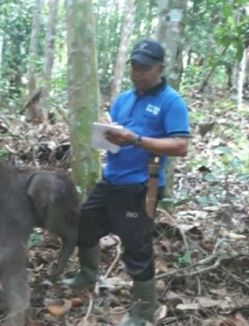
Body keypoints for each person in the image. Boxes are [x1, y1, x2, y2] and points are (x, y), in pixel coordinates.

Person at [62, 39, 190, 325]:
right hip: (111, 180)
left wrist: (137, 140)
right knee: (84, 224)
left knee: (137, 248)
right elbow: (117, 137)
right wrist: (110, 137)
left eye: (144, 67)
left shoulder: (171, 102)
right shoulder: (123, 100)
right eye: (134, 66)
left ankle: (143, 312)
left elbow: (181, 146)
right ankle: (88, 274)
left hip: (141, 186)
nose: (138, 72)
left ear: (160, 68)